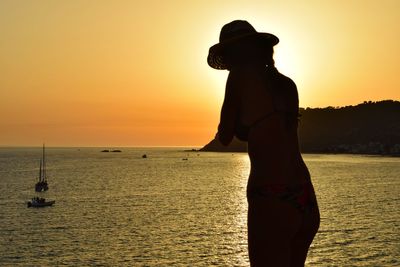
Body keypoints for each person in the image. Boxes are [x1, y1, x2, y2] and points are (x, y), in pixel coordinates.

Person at [207, 20, 320, 266]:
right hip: (305, 197)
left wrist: (232, 126)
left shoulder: (238, 77)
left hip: (271, 196)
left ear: (233, 53)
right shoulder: (287, 84)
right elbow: (278, 131)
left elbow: (225, 136)